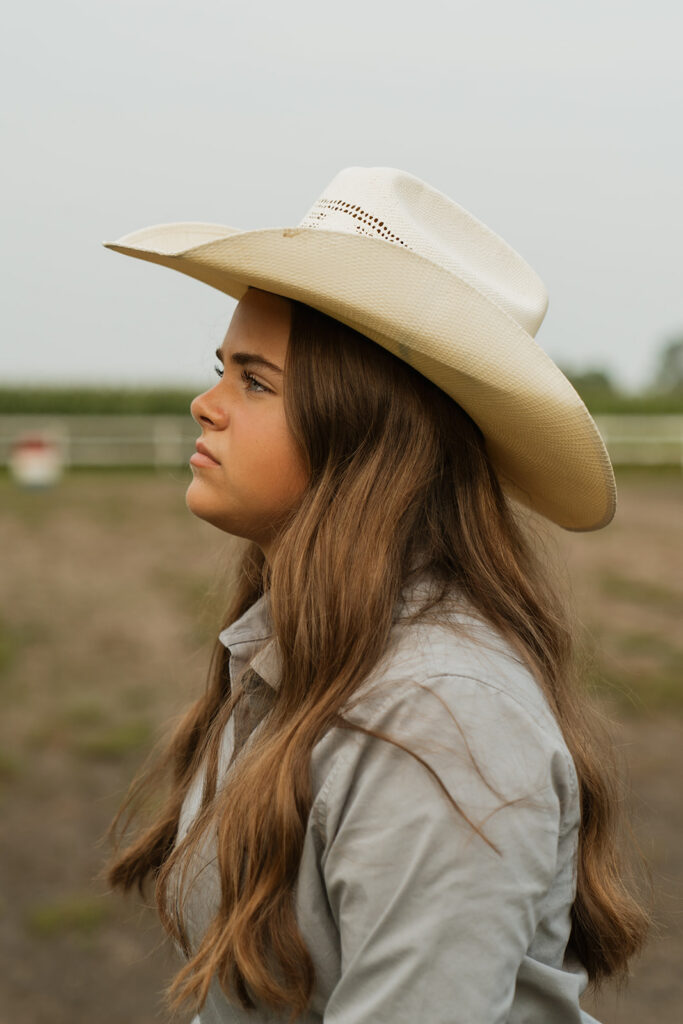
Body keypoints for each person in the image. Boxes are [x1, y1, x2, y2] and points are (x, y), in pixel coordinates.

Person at [103, 167, 649, 1023]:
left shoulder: (439, 717)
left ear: (366, 432)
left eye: (254, 381)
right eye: (223, 369)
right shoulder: (293, 650)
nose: (206, 405)